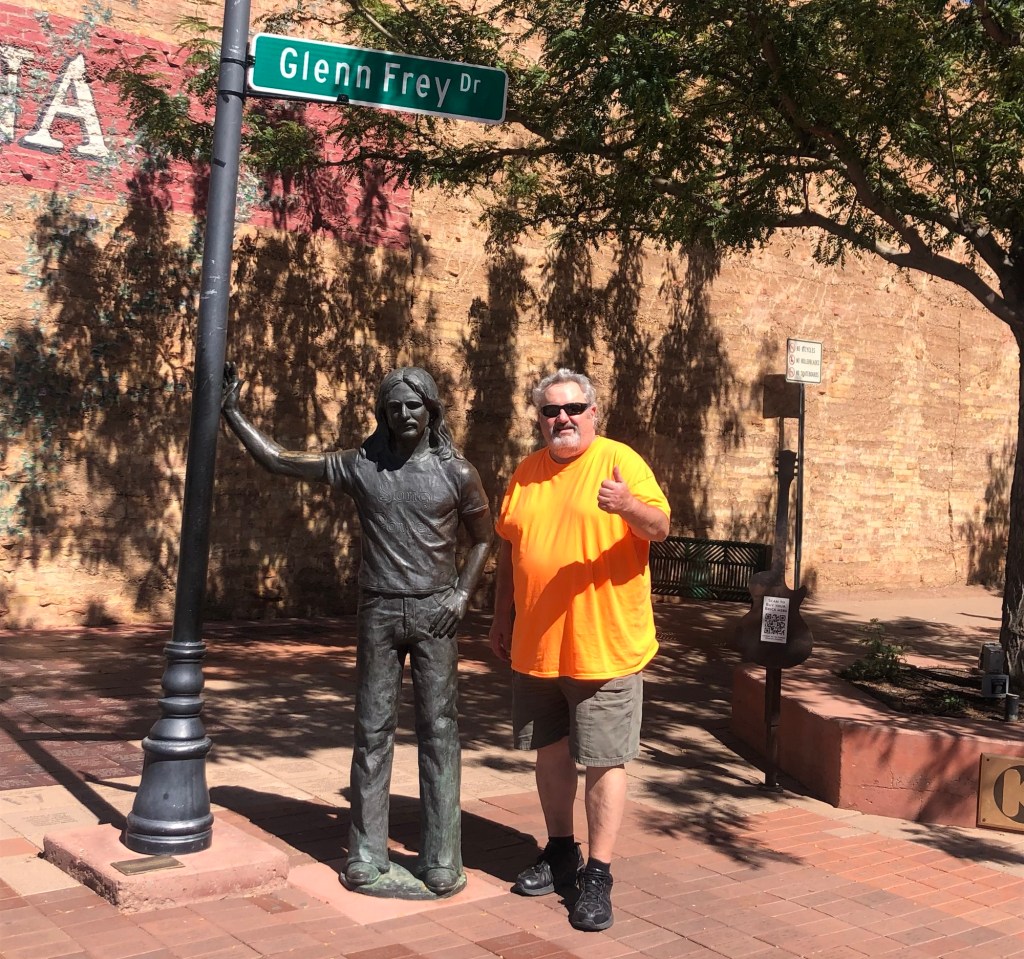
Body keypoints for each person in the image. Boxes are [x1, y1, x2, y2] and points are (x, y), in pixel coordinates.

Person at [222, 363, 493, 897]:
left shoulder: (457, 472)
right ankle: (367, 852)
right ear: (383, 413)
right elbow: (280, 460)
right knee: (371, 731)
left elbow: (485, 538)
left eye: (414, 405)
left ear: (431, 409)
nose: (404, 414)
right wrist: (232, 412)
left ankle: (442, 856)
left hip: (436, 613)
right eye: (394, 407)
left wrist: (462, 595)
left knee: (440, 732)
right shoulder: (361, 465)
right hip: (379, 612)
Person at [489, 368, 670, 931]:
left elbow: (660, 527)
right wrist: (500, 615)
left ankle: (599, 873)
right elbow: (509, 549)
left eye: (572, 408)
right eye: (550, 410)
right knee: (550, 751)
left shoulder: (620, 461)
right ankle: (561, 850)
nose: (561, 418)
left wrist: (628, 506)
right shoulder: (526, 472)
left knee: (603, 759)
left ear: (594, 413)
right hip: (538, 645)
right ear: (540, 419)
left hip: (605, 644)